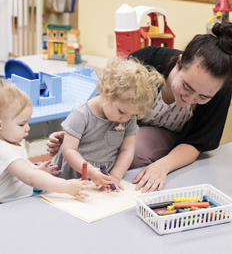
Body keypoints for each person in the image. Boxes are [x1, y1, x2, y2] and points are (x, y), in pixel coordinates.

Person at [47, 22, 232, 193]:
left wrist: (164, 165)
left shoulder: (219, 91)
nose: (189, 99)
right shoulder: (145, 63)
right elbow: (104, 106)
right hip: (118, 130)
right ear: (179, 62)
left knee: (134, 151)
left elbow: (197, 142)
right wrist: (79, 133)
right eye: (186, 87)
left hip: (164, 140)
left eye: (203, 97)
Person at [51, 57, 164, 192]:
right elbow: (69, 150)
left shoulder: (127, 117)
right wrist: (91, 172)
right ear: (107, 93)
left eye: (132, 115)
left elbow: (127, 150)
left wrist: (116, 176)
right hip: (72, 178)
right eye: (122, 111)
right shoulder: (81, 114)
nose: (126, 119)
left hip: (104, 179)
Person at [0, 80, 95, 203]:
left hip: (23, 194)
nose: (28, 128)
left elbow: (21, 160)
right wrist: (66, 186)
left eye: (27, 122)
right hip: (10, 204)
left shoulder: (12, 139)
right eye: (22, 124)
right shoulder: (4, 150)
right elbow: (30, 177)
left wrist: (35, 169)